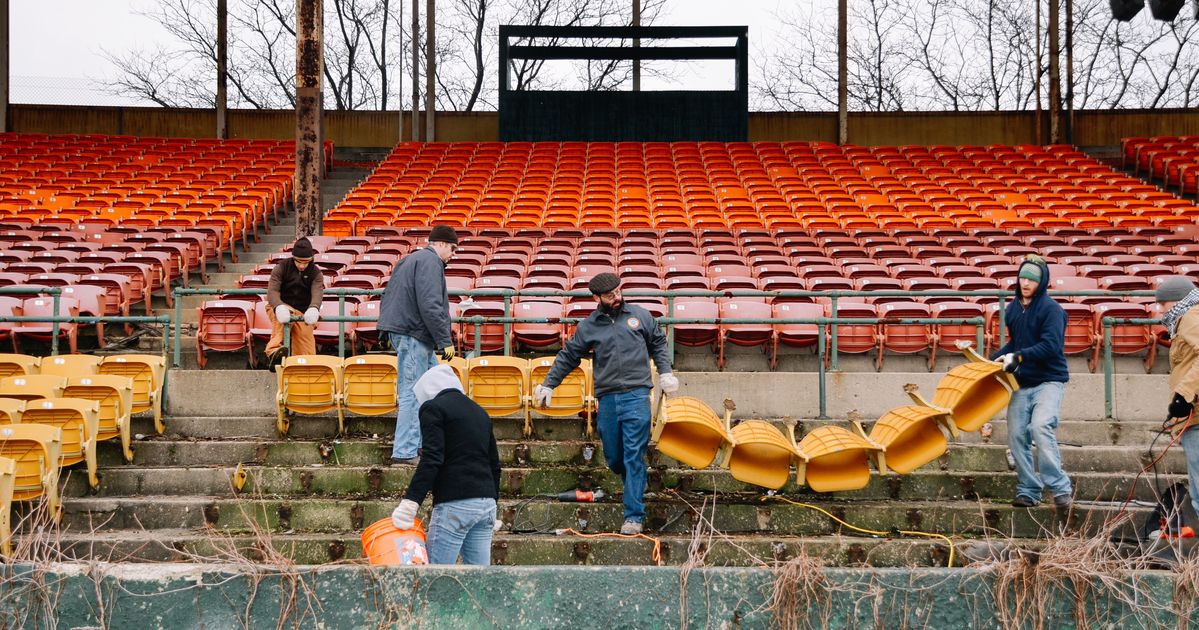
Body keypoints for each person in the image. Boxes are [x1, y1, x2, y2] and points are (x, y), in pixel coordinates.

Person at [532, 272, 678, 535]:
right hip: (608, 398)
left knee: (634, 454)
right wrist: (549, 383)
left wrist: (665, 371)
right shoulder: (588, 327)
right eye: (610, 295)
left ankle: (633, 515)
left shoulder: (640, 315)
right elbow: (568, 356)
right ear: (596, 297)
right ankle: (636, 481)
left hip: (637, 394)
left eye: (618, 292)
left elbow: (657, 341)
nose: (617, 297)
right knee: (614, 457)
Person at [391, 364, 501, 565]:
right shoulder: (479, 412)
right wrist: (494, 499)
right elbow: (494, 464)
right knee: (478, 581)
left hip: (455, 503)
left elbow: (432, 457)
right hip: (486, 506)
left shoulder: (433, 408)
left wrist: (410, 503)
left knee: (437, 578)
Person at [990, 254, 1073, 509]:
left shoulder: (1052, 310)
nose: (1026, 283)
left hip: (1049, 381)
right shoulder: (1013, 308)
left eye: (1032, 279)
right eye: (1023, 277)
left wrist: (1019, 356)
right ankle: (1028, 489)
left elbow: (1051, 346)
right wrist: (993, 360)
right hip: (1022, 383)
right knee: (1016, 436)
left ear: (1042, 282)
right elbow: (1017, 343)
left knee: (1040, 427)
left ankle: (1060, 488)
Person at [377, 225, 458, 466]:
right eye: (453, 248)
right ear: (441, 244)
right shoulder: (431, 263)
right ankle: (404, 452)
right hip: (415, 336)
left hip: (408, 333)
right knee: (413, 393)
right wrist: (445, 340)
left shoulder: (409, 260)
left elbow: (388, 296)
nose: (453, 254)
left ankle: (423, 445)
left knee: (430, 391)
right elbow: (431, 304)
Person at [1156, 276, 1199, 517]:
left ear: (1174, 301)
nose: (1159, 310)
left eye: (1161, 304)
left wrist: (1183, 396)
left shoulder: (1191, 318)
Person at [266, 237, 324, 361]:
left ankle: (302, 365)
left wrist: (314, 308)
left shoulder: (316, 273)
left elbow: (317, 291)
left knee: (306, 343)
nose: (302, 265)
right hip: (280, 306)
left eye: (305, 262)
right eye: (299, 262)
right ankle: (274, 352)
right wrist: (279, 306)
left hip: (303, 312)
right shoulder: (281, 267)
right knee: (282, 320)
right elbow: (272, 290)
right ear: (293, 258)